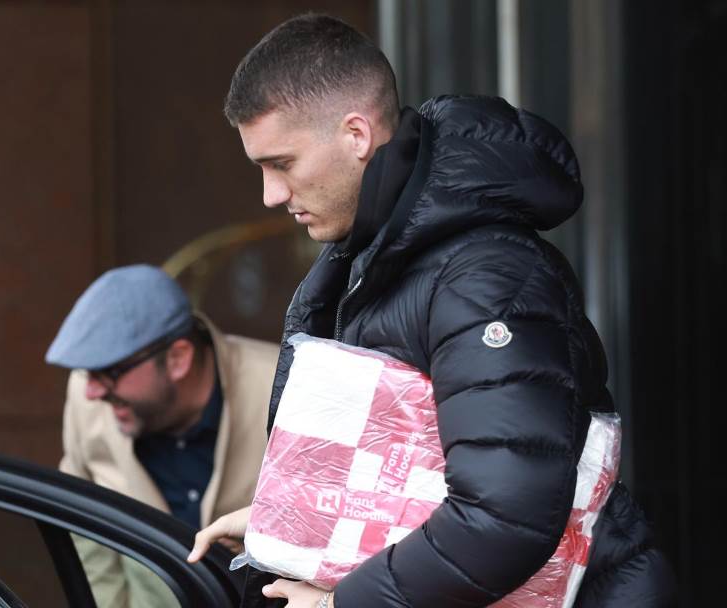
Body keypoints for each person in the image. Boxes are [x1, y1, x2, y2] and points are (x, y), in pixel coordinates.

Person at [187, 13, 677, 608]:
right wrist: (289, 518)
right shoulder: (376, 251)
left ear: (356, 135)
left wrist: (340, 604)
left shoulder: (483, 276)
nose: (271, 194)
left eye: (281, 163)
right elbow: (412, 458)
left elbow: (503, 516)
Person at [46, 264, 279, 607]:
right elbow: (84, 528)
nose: (92, 392)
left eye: (109, 372)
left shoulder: (282, 386)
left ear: (177, 359)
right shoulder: (88, 399)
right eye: (87, 373)